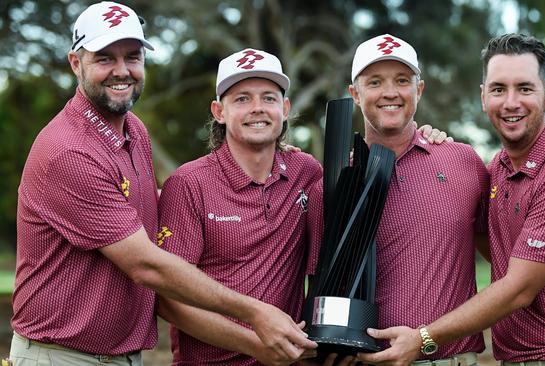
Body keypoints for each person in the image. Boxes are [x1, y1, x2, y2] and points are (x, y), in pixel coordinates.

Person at [11, 3, 315, 365]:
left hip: (117, 355)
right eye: (104, 58)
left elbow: (135, 206)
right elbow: (147, 266)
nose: (122, 70)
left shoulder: (133, 130)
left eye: (133, 57)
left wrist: (267, 155)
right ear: (76, 63)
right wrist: (256, 314)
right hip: (61, 355)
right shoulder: (69, 151)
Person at [359, 33, 545, 366]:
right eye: (499, 89)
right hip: (524, 358)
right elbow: (488, 239)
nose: (511, 102)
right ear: (484, 96)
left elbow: (518, 289)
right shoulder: (497, 169)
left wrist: (424, 338)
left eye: (525, 88)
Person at [155, 48, 324, 366]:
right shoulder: (189, 183)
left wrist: (427, 136)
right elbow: (167, 299)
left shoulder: (307, 171)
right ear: (219, 111)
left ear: (285, 108)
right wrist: (257, 345)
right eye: (242, 99)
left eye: (269, 98)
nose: (257, 109)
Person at [345, 34, 491, 366]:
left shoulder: (463, 161)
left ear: (419, 90)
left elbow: (504, 250)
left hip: (450, 360)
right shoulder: (339, 175)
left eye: (402, 80)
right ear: (355, 94)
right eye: (375, 82)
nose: (390, 92)